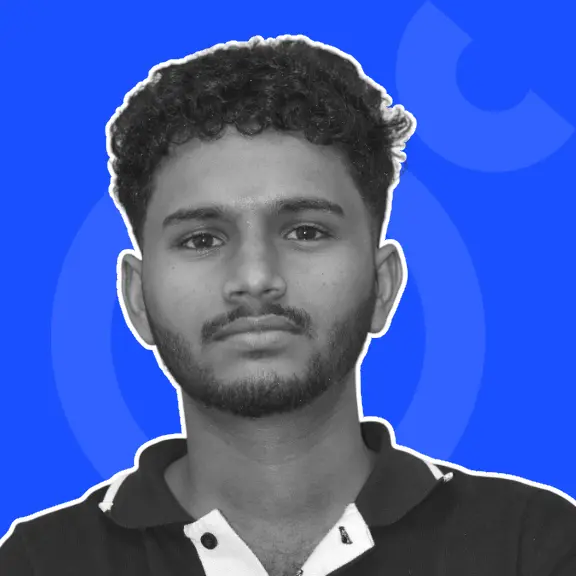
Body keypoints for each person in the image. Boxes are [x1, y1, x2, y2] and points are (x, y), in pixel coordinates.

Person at [1, 34, 574, 576]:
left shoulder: (534, 547)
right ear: (136, 298)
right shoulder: (39, 564)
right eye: (201, 239)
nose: (255, 279)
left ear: (382, 286)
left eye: (305, 231)